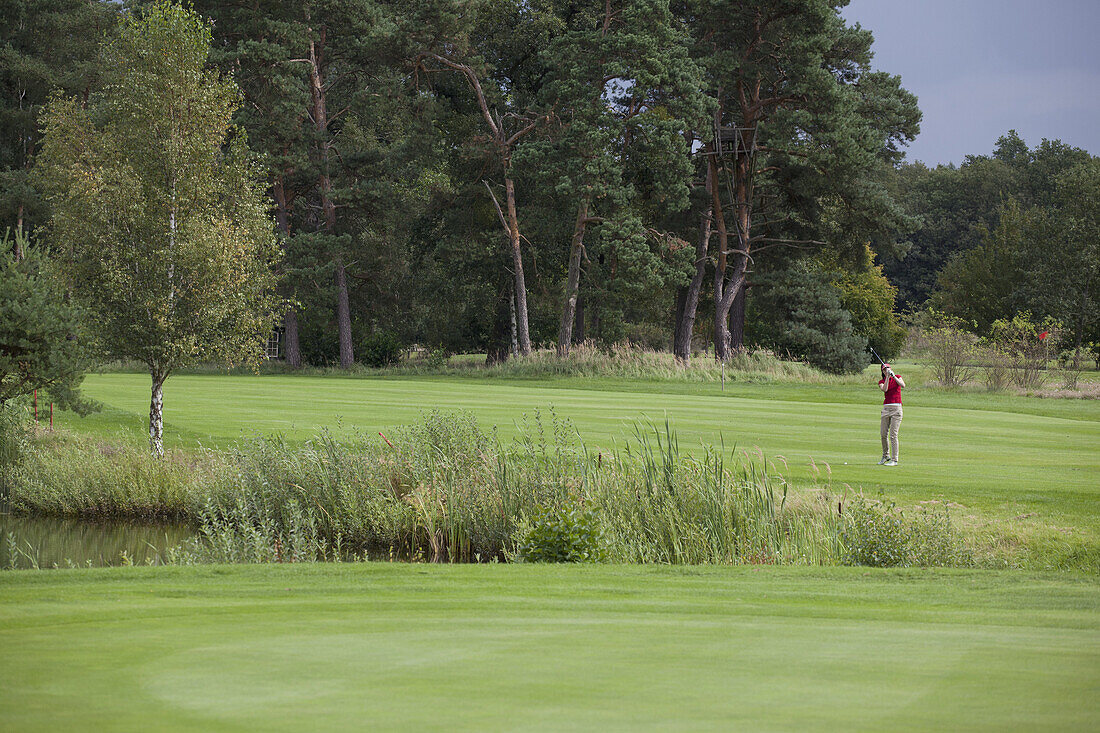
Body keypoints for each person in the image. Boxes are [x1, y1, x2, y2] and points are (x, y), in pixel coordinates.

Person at [878, 363, 905, 466]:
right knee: (883, 434)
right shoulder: (881, 381)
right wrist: (888, 377)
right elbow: (884, 389)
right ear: (882, 372)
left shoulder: (897, 377)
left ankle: (895, 459)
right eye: (884, 370)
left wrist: (893, 376)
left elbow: (903, 385)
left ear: (891, 368)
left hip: (896, 409)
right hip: (886, 409)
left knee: (893, 435)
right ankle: (886, 456)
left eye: (888, 368)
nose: (886, 370)